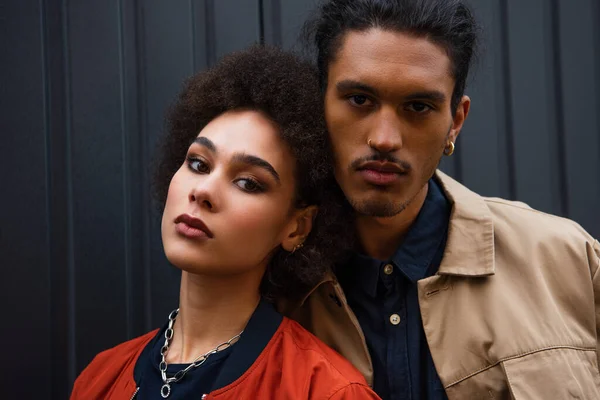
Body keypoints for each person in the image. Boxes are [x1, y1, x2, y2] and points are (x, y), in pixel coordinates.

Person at [279, 1, 600, 399]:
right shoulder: (270, 280)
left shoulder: (566, 260)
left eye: (418, 107)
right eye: (360, 99)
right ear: (320, 103)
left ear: (455, 121)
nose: (384, 138)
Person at [70, 45, 380, 400]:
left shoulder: (327, 390)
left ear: (296, 227)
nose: (203, 191)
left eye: (248, 182)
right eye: (199, 164)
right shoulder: (99, 379)